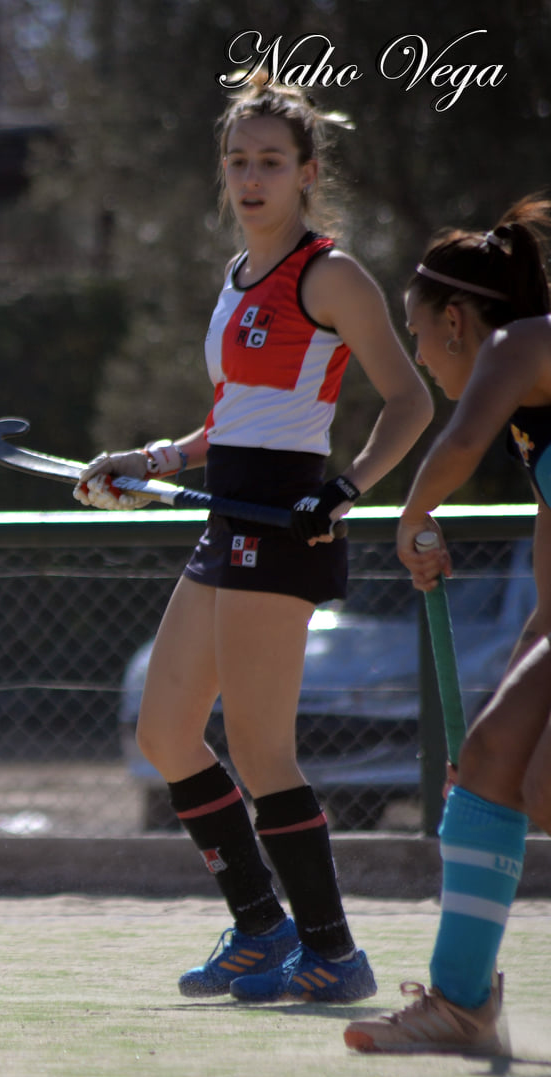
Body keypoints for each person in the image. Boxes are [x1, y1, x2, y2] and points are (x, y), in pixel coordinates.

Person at [75, 77, 432, 1003]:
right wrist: (147, 457)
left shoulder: (330, 274)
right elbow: (233, 417)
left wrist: (347, 488)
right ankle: (261, 927)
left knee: (264, 750)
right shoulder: (236, 283)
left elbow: (411, 400)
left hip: (286, 520)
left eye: (271, 161)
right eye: (238, 161)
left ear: (307, 174)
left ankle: (333, 952)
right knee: (165, 731)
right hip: (230, 514)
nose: (251, 177)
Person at [343, 196, 551, 1055]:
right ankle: (461, 1005)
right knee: (504, 769)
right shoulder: (539, 430)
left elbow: (458, 442)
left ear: (459, 321)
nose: (420, 358)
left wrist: (412, 511)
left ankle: (461, 1001)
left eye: (421, 335)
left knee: (522, 777)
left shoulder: (525, 343)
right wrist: (514, 691)